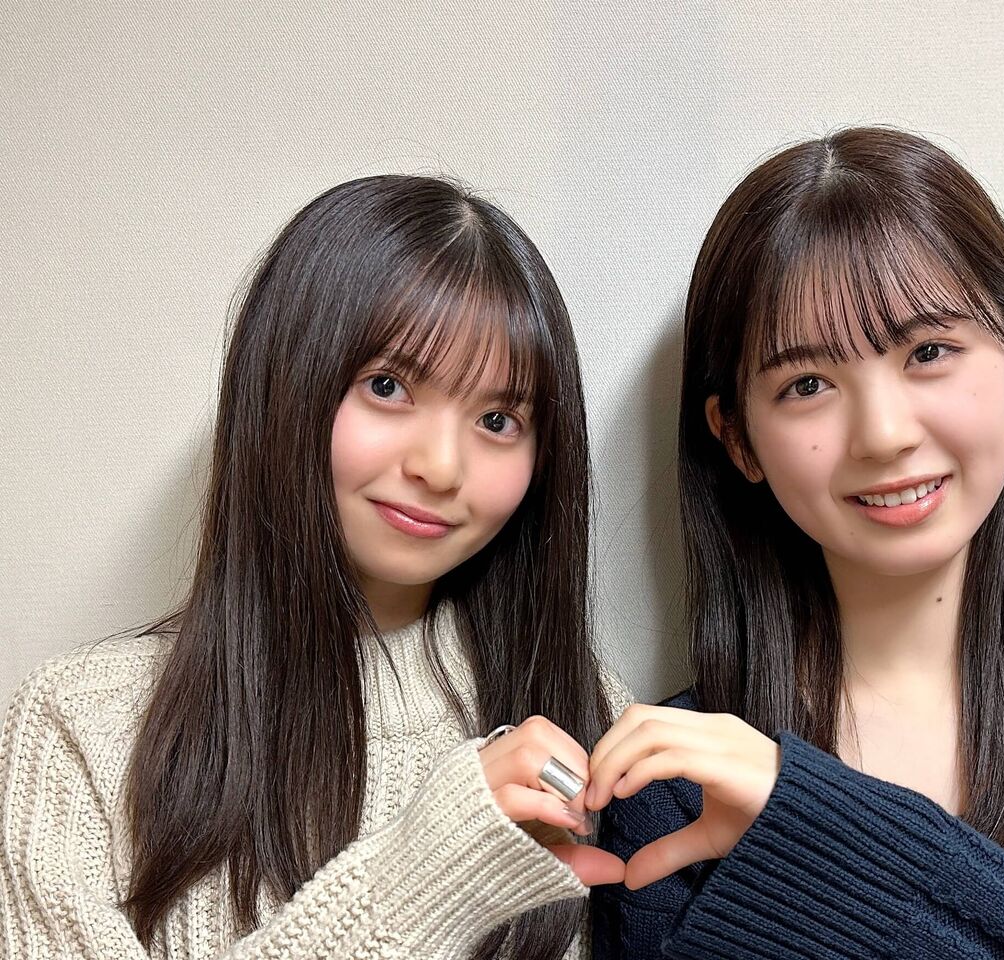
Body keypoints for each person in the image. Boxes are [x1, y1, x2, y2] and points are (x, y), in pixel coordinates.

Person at [586, 127, 1004, 958]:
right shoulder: (673, 786)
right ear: (737, 438)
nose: (884, 433)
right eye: (807, 384)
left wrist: (812, 825)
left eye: (928, 352)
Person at [0, 175, 629, 960]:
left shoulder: (587, 719)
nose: (440, 466)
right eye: (388, 387)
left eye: (498, 419)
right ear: (285, 388)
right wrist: (430, 873)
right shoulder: (83, 729)